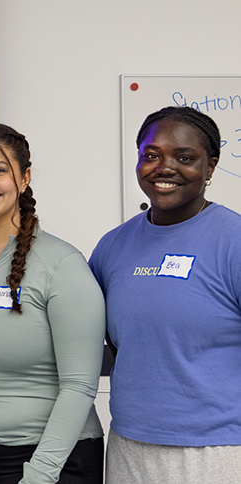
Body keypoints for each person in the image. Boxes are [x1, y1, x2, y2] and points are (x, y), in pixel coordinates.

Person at [0, 124, 105, 484]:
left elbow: (79, 386)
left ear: (24, 179)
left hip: (48, 459)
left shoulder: (62, 265)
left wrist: (40, 474)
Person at [89, 106, 241, 483]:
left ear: (211, 167)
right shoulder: (113, 246)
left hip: (216, 450)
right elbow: (106, 342)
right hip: (128, 443)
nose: (164, 167)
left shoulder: (233, 241)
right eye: (151, 155)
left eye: (185, 158)